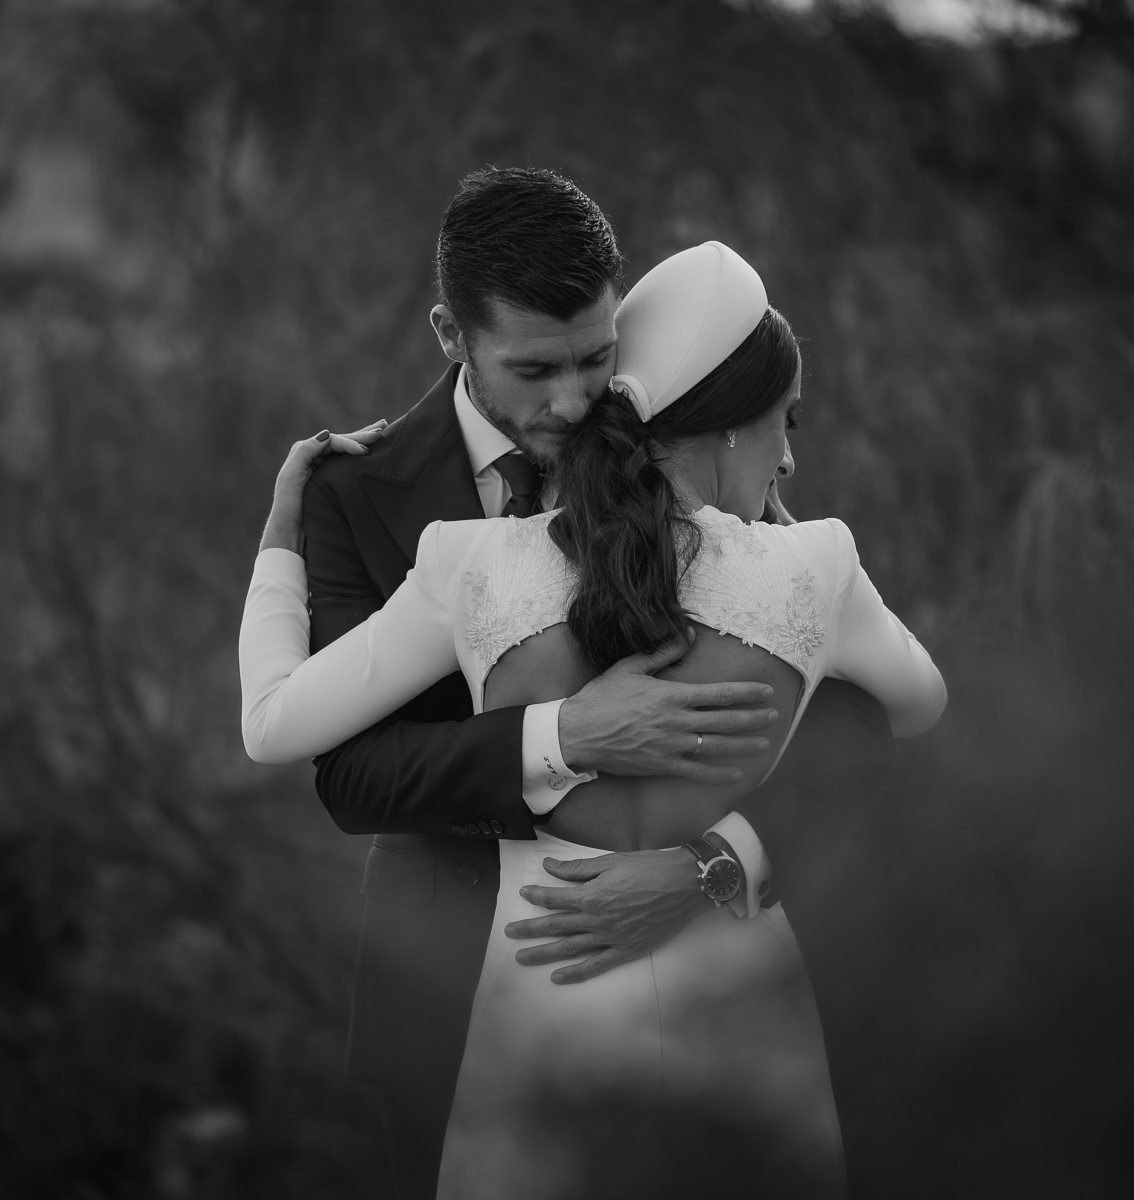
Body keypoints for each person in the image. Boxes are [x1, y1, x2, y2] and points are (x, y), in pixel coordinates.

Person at [241, 238, 947, 1196]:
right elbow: (917, 704)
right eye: (781, 424)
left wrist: (274, 545)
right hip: (722, 981)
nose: (788, 458)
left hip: (540, 963)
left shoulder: (467, 560)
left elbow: (272, 724)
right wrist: (568, 731)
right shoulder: (816, 564)